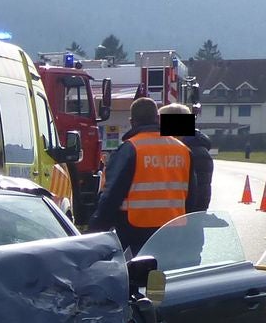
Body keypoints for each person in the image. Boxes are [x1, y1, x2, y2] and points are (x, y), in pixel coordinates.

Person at [89, 100, 207, 255]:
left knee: (138, 276)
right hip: (173, 230)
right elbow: (192, 197)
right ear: (157, 118)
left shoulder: (130, 149)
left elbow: (112, 195)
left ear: (132, 122)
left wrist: (96, 229)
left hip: (135, 231)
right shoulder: (183, 150)